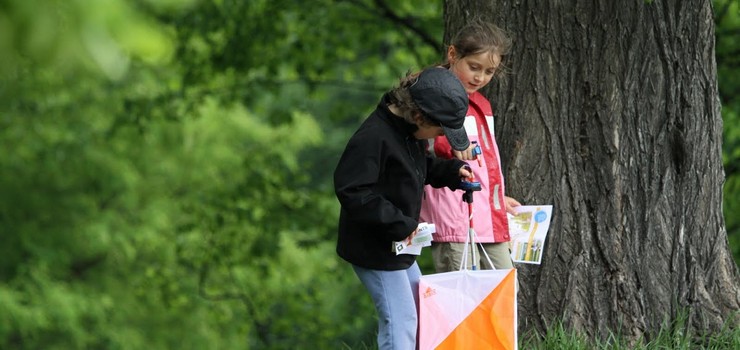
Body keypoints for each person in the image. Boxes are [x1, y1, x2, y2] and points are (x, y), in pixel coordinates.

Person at [334, 67, 473, 350]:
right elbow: (353, 191)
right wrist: (402, 225)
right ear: (419, 116)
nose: (439, 137)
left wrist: (451, 171)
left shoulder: (409, 134)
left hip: (400, 244)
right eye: (439, 130)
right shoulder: (373, 138)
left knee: (422, 311)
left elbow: (416, 168)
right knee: (402, 321)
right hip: (375, 249)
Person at [419, 21, 522, 273]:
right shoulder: (433, 96)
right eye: (474, 67)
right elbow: (440, 154)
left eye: (489, 72)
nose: (480, 77)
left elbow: (483, 163)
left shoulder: (482, 104)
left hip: (489, 216)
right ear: (453, 54)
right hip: (454, 218)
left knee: (505, 289)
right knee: (464, 295)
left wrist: (494, 197)